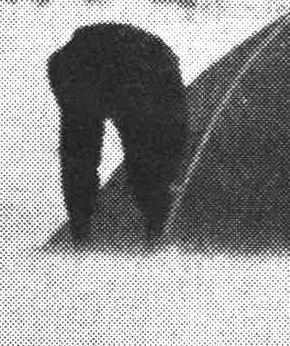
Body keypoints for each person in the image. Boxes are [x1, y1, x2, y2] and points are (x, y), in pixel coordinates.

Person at [47, 24, 188, 247]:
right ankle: (83, 231)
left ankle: (150, 225)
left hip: (132, 68)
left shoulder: (151, 71)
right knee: (82, 158)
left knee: (142, 161)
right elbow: (78, 160)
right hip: (101, 68)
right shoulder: (78, 73)